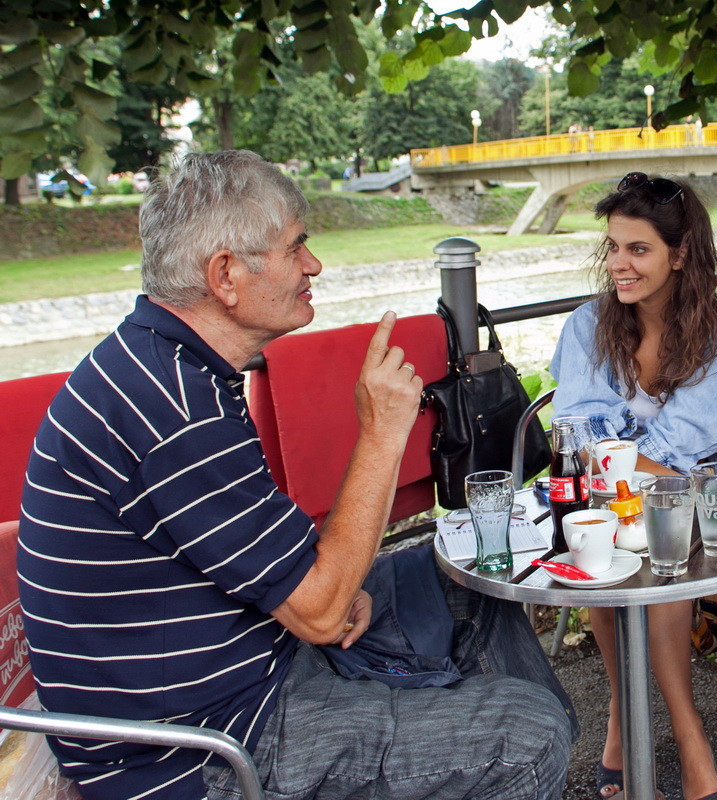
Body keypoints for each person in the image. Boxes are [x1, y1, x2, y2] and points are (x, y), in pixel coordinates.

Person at [18, 150, 575, 800]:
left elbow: (279, 567)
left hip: (246, 661)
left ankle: (472, 754)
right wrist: (382, 433)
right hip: (204, 746)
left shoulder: (167, 365)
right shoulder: (175, 411)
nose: (314, 265)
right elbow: (319, 612)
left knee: (464, 578)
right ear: (226, 274)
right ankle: (498, 753)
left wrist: (323, 594)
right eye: (295, 247)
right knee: (530, 737)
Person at [550, 172, 717, 800]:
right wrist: (618, 461)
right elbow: (578, 430)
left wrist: (616, 455)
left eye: (638, 249)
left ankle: (686, 733)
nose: (619, 263)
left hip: (702, 505)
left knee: (658, 545)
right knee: (601, 540)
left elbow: (677, 460)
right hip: (617, 500)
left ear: (680, 253)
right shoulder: (589, 325)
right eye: (613, 247)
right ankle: (624, 713)